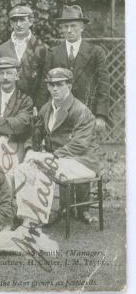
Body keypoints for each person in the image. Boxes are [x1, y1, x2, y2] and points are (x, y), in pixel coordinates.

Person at [14, 67, 99, 229]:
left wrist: (48, 157)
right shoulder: (47, 108)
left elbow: (79, 145)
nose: (54, 89)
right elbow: (35, 133)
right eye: (51, 85)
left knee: (43, 166)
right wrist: (30, 150)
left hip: (82, 162)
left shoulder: (81, 111)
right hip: (59, 161)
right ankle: (27, 217)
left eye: (59, 84)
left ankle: (36, 218)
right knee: (22, 168)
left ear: (69, 86)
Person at [42, 5, 109, 131]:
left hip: (87, 112)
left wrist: (101, 115)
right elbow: (44, 87)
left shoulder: (96, 52)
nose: (69, 30)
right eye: (65, 26)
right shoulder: (52, 53)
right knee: (59, 148)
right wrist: (44, 113)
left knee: (85, 147)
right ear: (61, 29)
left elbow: (103, 85)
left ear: (82, 27)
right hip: (59, 114)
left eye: (73, 26)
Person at [0, 5, 48, 108]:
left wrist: (39, 106)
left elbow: (44, 83)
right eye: (15, 20)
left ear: (30, 22)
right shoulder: (2, 49)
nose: (18, 24)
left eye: (22, 20)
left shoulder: (41, 48)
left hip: (32, 105)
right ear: (11, 23)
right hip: (6, 105)